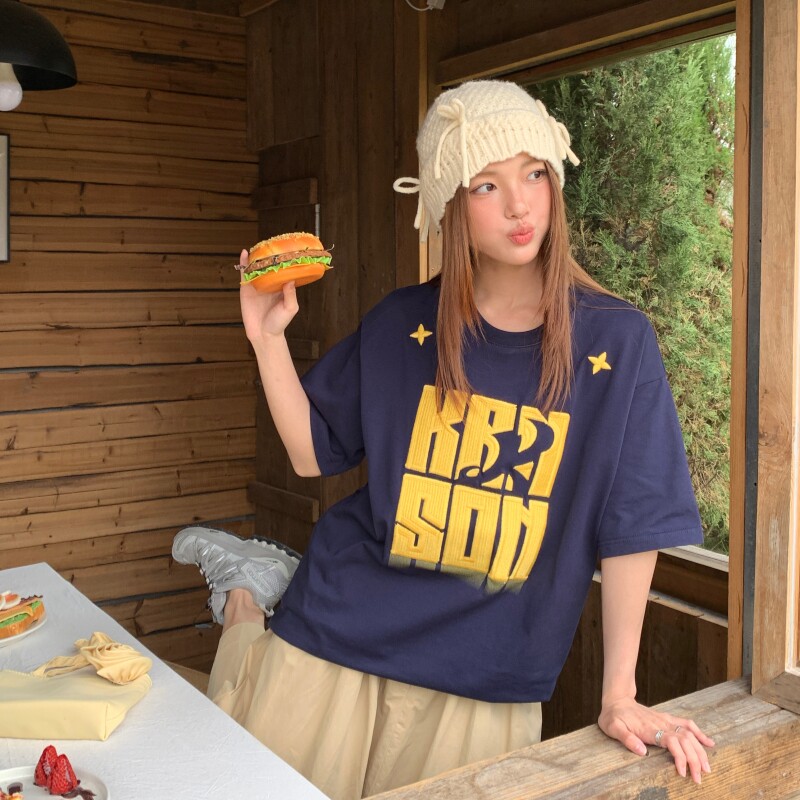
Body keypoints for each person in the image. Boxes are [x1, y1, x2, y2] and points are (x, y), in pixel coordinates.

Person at [172, 79, 715, 799]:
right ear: (450, 205)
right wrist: (267, 340)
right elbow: (311, 454)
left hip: (488, 671)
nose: (519, 204)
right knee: (245, 765)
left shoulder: (617, 341)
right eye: (487, 184)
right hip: (345, 619)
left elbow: (633, 524)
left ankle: (248, 589)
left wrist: (620, 693)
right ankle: (247, 597)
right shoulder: (403, 321)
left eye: (534, 174)